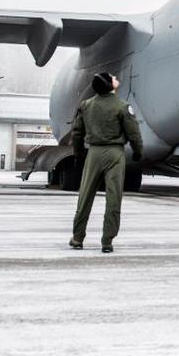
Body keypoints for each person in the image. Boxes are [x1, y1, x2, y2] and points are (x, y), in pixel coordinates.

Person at [68, 72, 143, 253]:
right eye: (112, 77)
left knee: (85, 197)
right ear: (110, 85)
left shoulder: (86, 106)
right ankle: (107, 241)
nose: (116, 77)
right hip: (115, 154)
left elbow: (76, 133)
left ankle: (78, 238)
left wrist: (79, 154)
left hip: (93, 153)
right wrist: (138, 152)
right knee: (113, 198)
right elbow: (133, 133)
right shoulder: (122, 106)